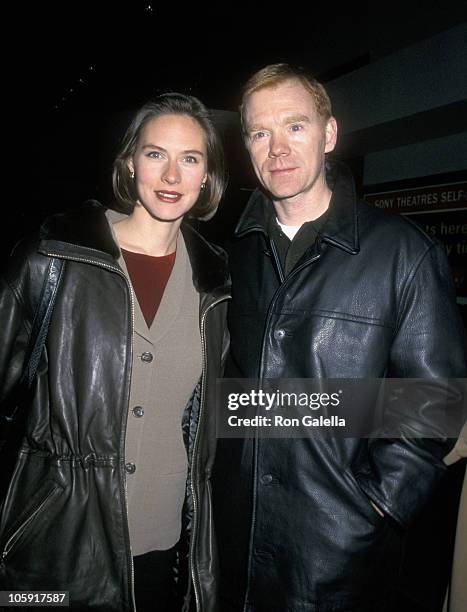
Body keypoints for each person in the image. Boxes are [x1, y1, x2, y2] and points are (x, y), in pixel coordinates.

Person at [212, 64, 467, 611]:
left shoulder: (403, 253)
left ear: (328, 135)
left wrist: (374, 505)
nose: (277, 147)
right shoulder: (230, 257)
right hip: (231, 544)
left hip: (340, 557)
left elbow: (435, 402)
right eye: (261, 133)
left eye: (295, 126)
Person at [0, 93, 230, 611]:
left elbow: (223, 411)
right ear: (129, 163)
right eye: (155, 154)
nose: (171, 175)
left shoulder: (216, 283)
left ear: (207, 175)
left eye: (190, 159)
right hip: (57, 545)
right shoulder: (53, 256)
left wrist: (406, 411)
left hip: (165, 549)